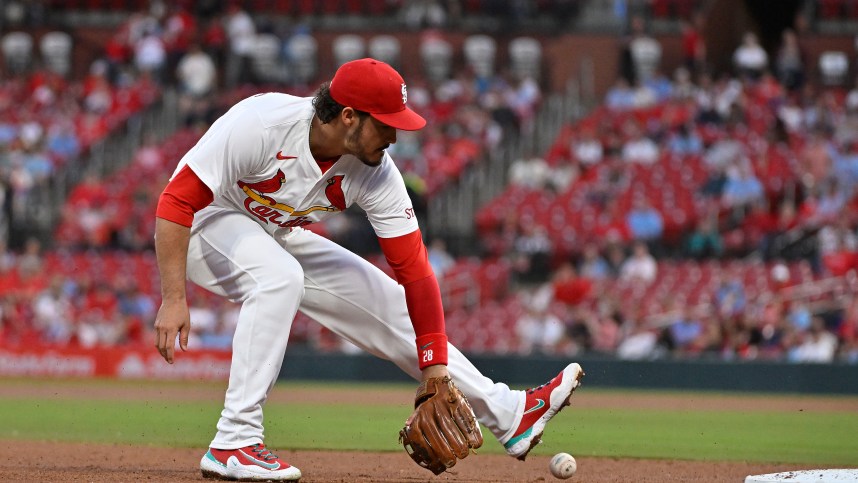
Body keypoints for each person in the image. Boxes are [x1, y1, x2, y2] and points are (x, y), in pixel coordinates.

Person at [152, 58, 584, 481]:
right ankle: (235, 439)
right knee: (279, 277)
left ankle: (510, 416)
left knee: (389, 303)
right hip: (200, 223)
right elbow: (175, 202)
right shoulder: (263, 123)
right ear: (347, 117)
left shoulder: (376, 173)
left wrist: (434, 368)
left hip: (270, 231)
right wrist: (174, 297)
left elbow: (414, 271)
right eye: (385, 123)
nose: (395, 135)